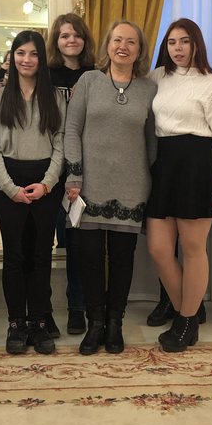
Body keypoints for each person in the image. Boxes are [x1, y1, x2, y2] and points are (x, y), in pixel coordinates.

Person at [64, 19, 156, 355]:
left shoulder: (149, 88)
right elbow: (71, 130)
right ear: (107, 45)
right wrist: (74, 175)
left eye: (131, 42)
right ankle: (95, 323)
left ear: (139, 50)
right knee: (89, 258)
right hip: (88, 186)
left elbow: (152, 142)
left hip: (132, 186)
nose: (123, 47)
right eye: (117, 40)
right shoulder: (89, 81)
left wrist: (155, 182)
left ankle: (115, 323)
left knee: (122, 259)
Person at [147, 19, 212, 352]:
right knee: (158, 248)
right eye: (172, 42)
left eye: (184, 41)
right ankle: (192, 310)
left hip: (197, 165)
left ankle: (185, 322)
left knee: (193, 247)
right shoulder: (157, 77)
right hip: (164, 165)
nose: (178, 48)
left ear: (196, 44)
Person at [0, 31, 66, 354]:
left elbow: (61, 143)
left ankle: (39, 321)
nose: (26, 59)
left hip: (45, 181)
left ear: (41, 59)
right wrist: (10, 188)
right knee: (15, 256)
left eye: (33, 54)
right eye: (20, 53)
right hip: (9, 180)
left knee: (41, 255)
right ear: (12, 57)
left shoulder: (54, 97)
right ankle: (16, 322)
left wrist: (47, 183)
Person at [46, 13, 96, 336]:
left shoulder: (97, 75)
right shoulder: (44, 75)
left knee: (78, 243)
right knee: (54, 241)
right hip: (50, 168)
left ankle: (77, 306)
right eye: (64, 36)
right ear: (56, 41)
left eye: (76, 35)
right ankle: (44, 311)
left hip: (85, 169)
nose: (71, 40)